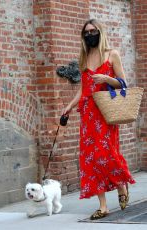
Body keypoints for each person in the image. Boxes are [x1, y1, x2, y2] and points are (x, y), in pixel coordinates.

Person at [63, 19, 136, 220]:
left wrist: (106, 79)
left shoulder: (112, 54)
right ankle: (103, 206)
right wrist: (69, 107)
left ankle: (121, 185)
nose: (90, 34)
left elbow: (123, 84)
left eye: (93, 31)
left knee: (106, 153)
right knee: (90, 159)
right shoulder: (84, 57)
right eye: (86, 32)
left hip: (105, 112)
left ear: (100, 32)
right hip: (88, 113)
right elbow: (83, 89)